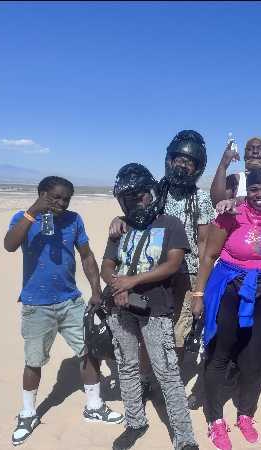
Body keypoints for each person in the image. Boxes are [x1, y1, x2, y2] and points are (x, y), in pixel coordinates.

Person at [4, 176, 124, 447]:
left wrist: (95, 290)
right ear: (41, 194)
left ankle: (94, 406)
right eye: (55, 197)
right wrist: (33, 211)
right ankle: (28, 414)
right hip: (36, 304)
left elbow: (86, 256)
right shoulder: (23, 218)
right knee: (34, 360)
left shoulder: (74, 220)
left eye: (66, 199)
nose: (61, 203)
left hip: (71, 301)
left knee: (88, 351)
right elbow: (10, 245)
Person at [102, 163, 199, 450]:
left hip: (155, 308)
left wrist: (132, 281)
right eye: (128, 198)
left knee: (167, 372)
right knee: (127, 366)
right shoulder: (120, 226)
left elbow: (173, 264)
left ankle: (184, 438)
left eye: (140, 195)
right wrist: (118, 285)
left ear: (151, 193)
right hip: (120, 307)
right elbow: (107, 264)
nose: (136, 202)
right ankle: (135, 422)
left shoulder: (170, 224)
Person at [192, 169, 261, 450]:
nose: (260, 194)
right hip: (230, 294)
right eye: (254, 189)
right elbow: (209, 255)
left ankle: (245, 414)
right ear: (248, 191)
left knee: (254, 359)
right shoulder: (231, 214)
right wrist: (198, 294)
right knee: (219, 355)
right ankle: (215, 420)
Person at [109, 130, 215, 373]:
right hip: (152, 269)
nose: (183, 165)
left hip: (186, 275)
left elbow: (203, 244)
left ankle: (170, 378)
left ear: (197, 168)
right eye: (179, 159)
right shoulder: (155, 191)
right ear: (169, 160)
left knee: (178, 331)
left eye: (189, 162)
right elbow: (136, 214)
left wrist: (199, 290)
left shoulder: (201, 199)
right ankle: (148, 378)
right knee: (149, 325)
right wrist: (119, 218)